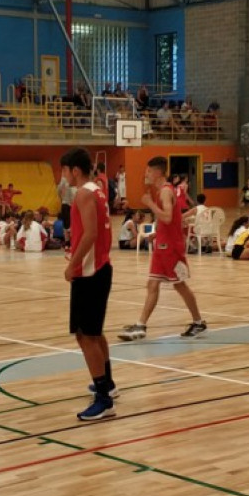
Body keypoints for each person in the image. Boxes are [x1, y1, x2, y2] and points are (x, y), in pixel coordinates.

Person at [119, 157, 206, 341]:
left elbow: (166, 217)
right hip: (162, 245)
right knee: (152, 284)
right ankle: (141, 325)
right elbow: (168, 220)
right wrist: (157, 233)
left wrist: (149, 204)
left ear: (158, 172)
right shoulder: (162, 191)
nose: (146, 174)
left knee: (179, 285)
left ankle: (198, 322)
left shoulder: (166, 191)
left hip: (171, 248)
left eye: (148, 171)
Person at [60, 148, 115, 421]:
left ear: (75, 170)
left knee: (86, 336)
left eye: (64, 170)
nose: (63, 176)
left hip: (91, 272)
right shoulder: (99, 189)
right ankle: (108, 384)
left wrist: (73, 264)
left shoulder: (83, 193)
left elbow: (91, 233)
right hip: (100, 268)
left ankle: (104, 399)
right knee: (95, 333)